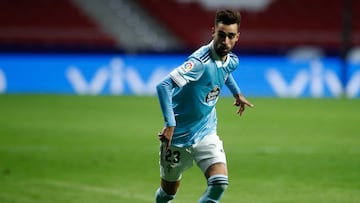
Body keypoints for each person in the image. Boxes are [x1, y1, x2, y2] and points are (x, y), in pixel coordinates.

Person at [155, 9, 254, 203]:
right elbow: (164, 85)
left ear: (237, 37)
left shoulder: (232, 60)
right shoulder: (199, 62)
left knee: (219, 184)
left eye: (231, 36)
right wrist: (170, 124)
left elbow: (224, 71)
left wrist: (237, 93)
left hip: (206, 132)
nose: (225, 41)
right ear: (213, 32)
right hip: (177, 138)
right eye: (221, 35)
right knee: (168, 194)